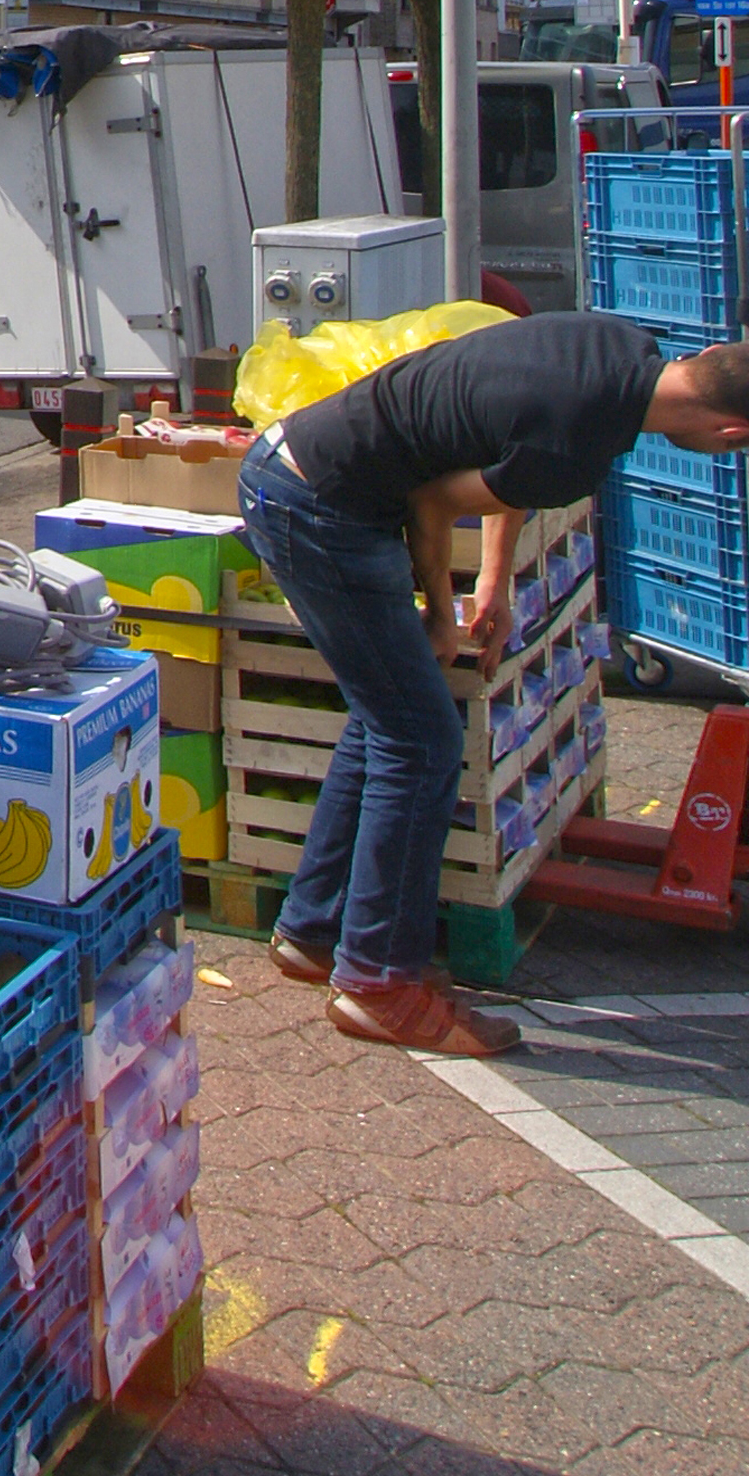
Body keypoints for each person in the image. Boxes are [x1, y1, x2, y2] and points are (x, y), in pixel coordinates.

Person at [237, 314, 749, 1056]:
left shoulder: (616, 349)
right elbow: (439, 500)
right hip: (318, 505)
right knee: (421, 741)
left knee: (391, 715)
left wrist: (496, 580)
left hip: (303, 468)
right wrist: (444, 614)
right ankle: (379, 982)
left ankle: (315, 931)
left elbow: (509, 459)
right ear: (730, 434)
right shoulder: (573, 446)